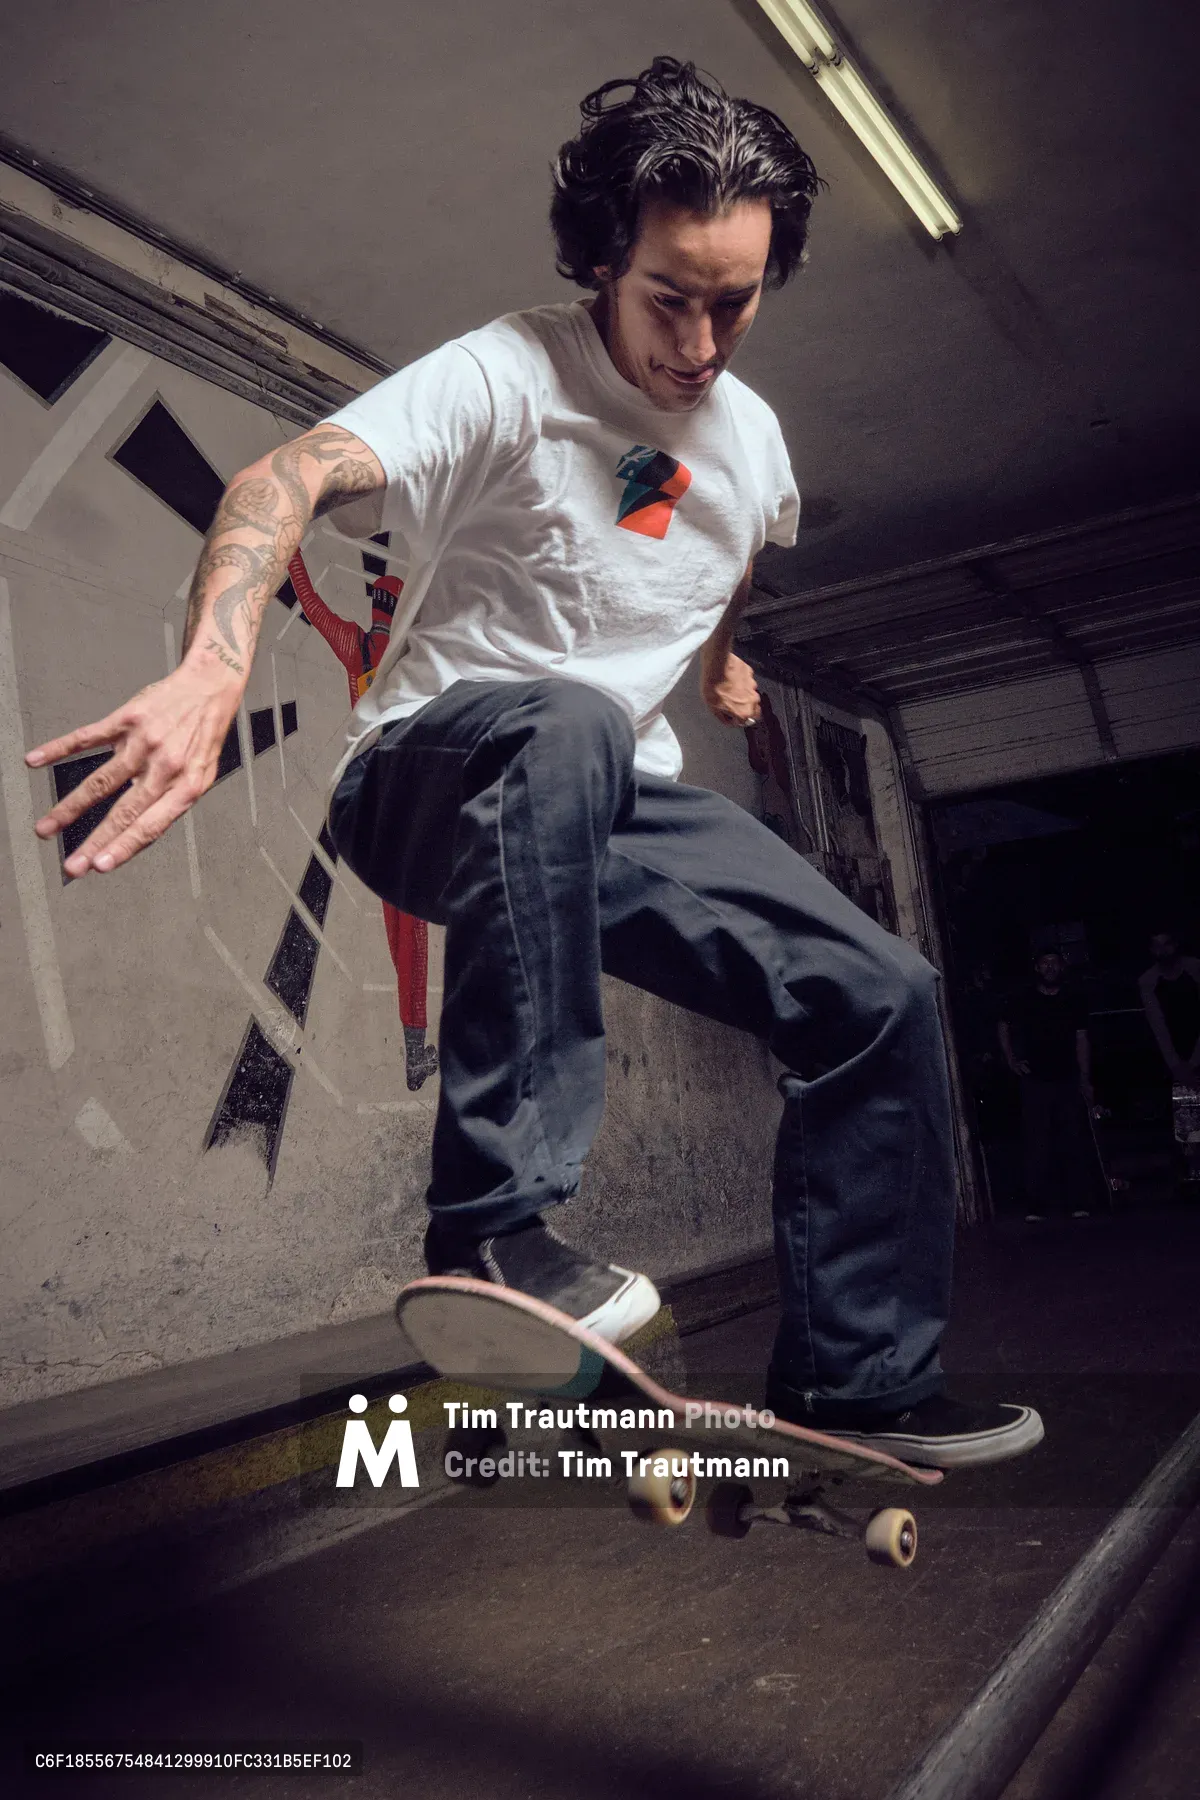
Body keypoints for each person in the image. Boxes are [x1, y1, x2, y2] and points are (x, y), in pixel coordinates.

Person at [26, 58, 1042, 1469]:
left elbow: (730, 550)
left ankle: (860, 1379)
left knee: (880, 993)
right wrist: (214, 663)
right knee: (565, 718)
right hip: (426, 782)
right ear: (603, 262)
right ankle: (494, 1233)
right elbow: (283, 478)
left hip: (610, 802)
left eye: (735, 303)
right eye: (668, 299)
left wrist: (724, 662)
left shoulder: (756, 444)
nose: (699, 343)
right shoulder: (508, 372)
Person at [287, 552, 438, 1091]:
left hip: (369, 805)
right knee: (410, 927)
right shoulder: (410, 659)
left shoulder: (356, 646)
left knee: (399, 924)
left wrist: (291, 550)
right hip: (405, 801)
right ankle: (414, 1049)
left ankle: (414, 1046)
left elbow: (310, 603)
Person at [998, 951, 1094, 1220]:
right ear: (1037, 967)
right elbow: (1003, 1025)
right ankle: (1037, 1205)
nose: (1050, 968)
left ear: (1062, 966)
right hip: (1035, 1079)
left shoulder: (1073, 999)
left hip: (1067, 1078)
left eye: (1054, 963)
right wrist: (1011, 1060)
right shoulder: (1024, 998)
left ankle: (1077, 1202)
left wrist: (1085, 1078)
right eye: (1044, 963)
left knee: (1072, 1139)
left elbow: (1082, 1038)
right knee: (1036, 1143)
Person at [1139, 929, 1200, 1182]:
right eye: (1156, 946)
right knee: (1187, 1118)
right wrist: (1177, 1065)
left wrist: (1194, 1060)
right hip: (1177, 1059)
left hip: (1195, 1053)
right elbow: (1158, 1026)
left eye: (1166, 944)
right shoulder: (1148, 980)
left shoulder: (1195, 969)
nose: (1162, 951)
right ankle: (1193, 1171)